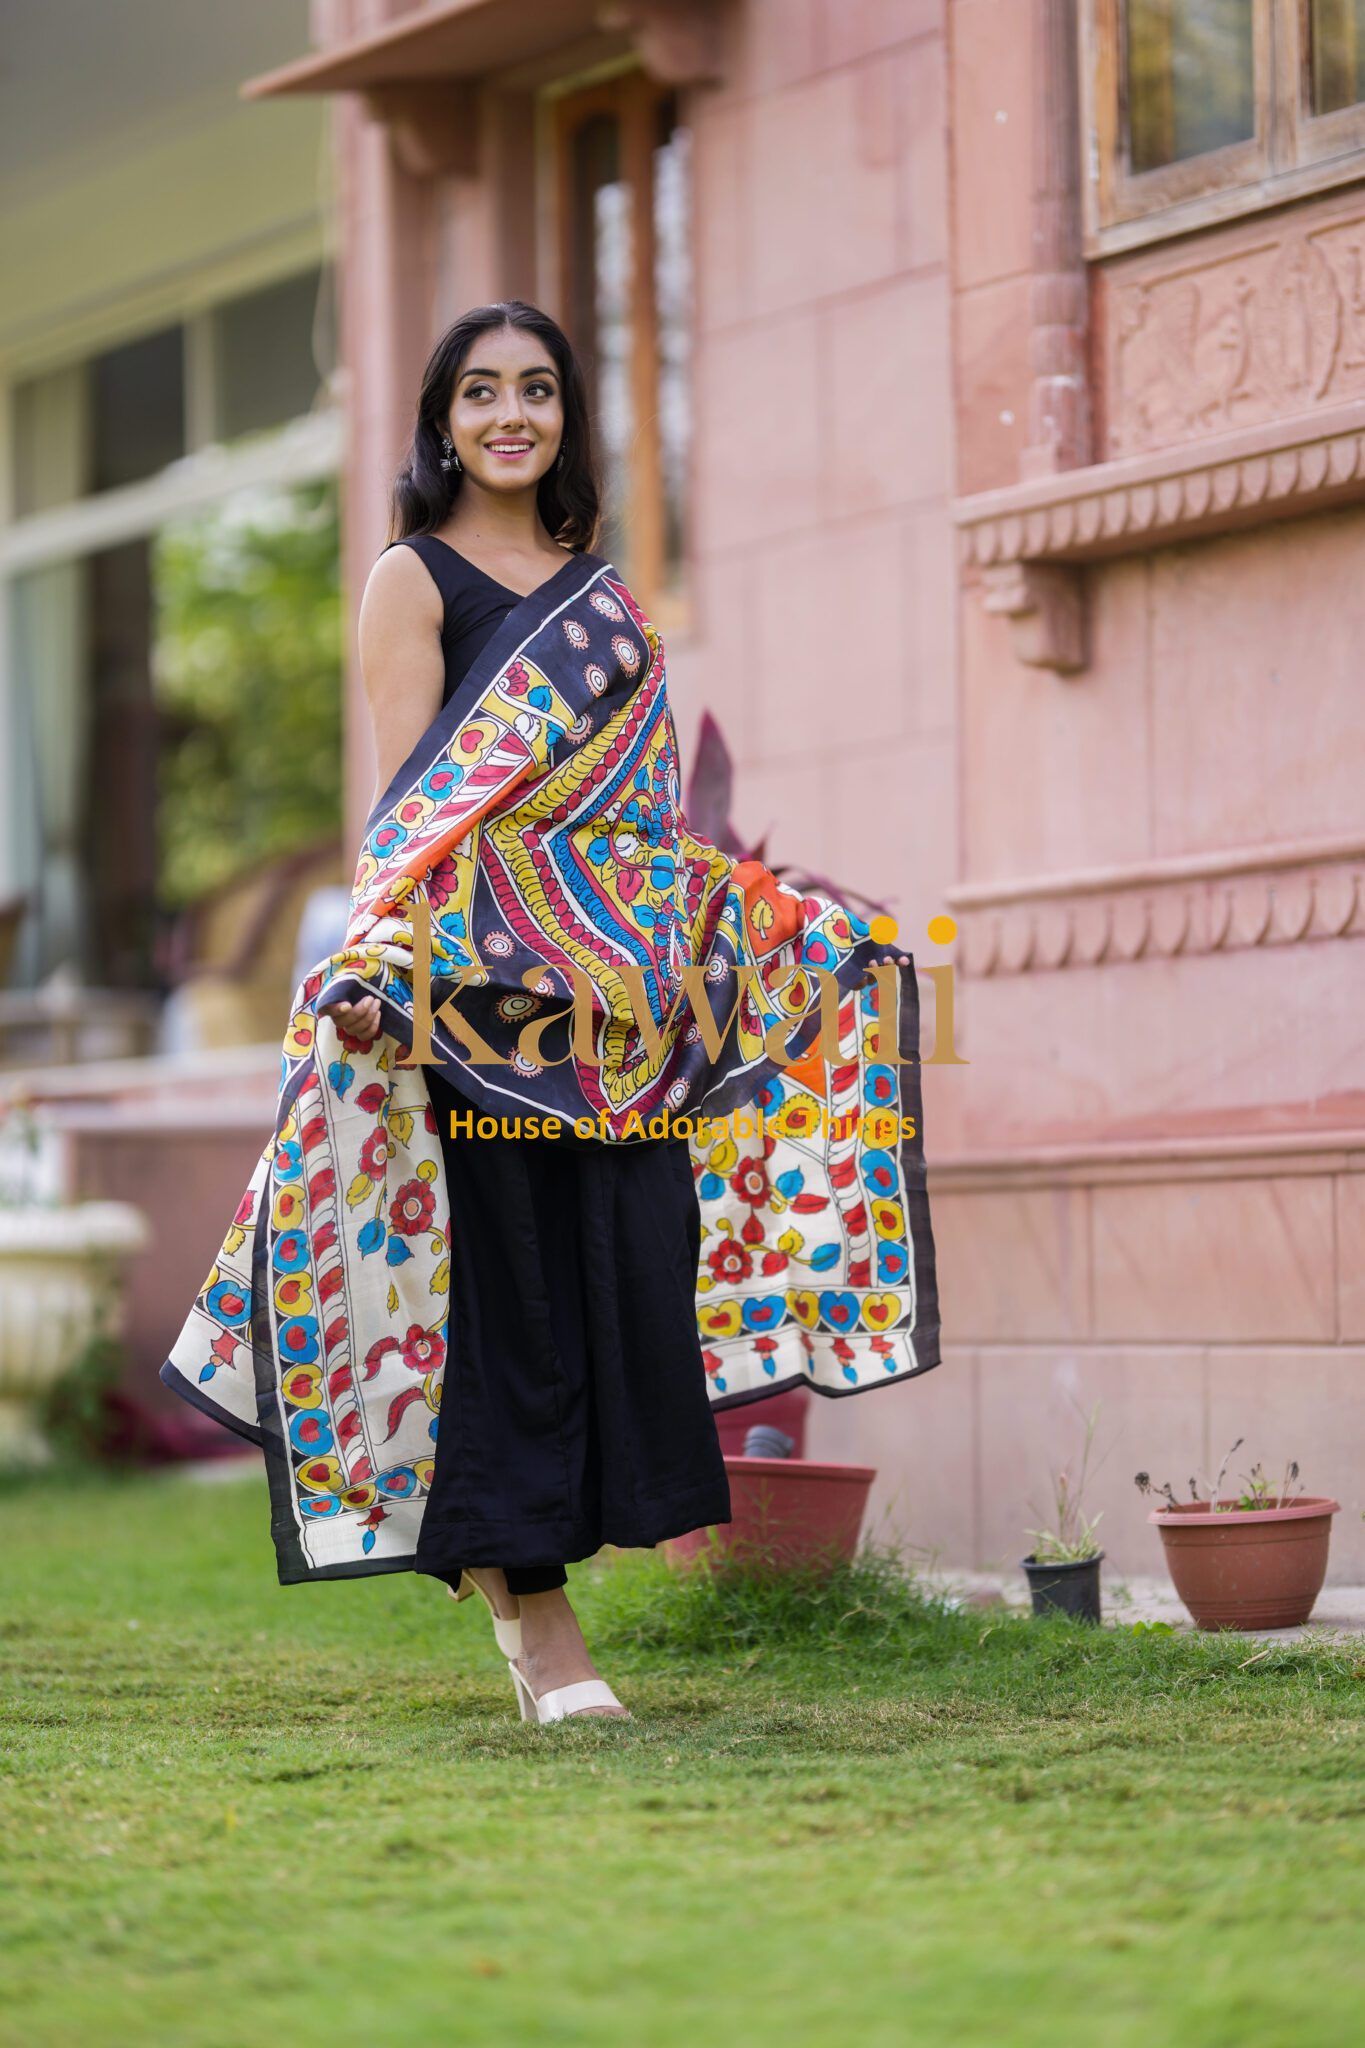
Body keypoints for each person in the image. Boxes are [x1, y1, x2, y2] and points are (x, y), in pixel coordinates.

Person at [162, 299, 929, 1727]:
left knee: (622, 1286)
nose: (508, 416)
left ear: (565, 415)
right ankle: (544, 1632)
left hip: (617, 1027)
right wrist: (385, 971)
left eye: (535, 391)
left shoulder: (600, 587)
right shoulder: (414, 577)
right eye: (478, 393)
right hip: (485, 1023)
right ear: (441, 421)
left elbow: (634, 821)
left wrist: (756, 923)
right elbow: (414, 808)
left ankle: (519, 1587)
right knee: (510, 1310)